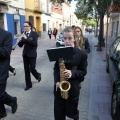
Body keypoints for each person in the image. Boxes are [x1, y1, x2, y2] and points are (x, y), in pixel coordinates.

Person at [53, 27, 87, 120]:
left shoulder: (81, 54)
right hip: (59, 87)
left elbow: (83, 72)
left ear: (74, 39)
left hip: (72, 89)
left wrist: (72, 73)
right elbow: (56, 68)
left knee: (72, 113)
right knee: (58, 114)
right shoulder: (59, 51)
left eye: (70, 38)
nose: (67, 41)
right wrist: (56, 81)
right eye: (65, 38)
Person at [17, 21, 41, 91]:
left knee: (32, 68)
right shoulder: (23, 34)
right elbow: (21, 45)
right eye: (24, 26)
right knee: (26, 70)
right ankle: (28, 85)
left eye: (26, 26)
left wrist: (26, 38)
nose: (25, 27)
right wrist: (19, 41)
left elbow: (34, 44)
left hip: (32, 54)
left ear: (30, 26)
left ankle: (38, 75)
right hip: (25, 54)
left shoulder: (34, 34)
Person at [0, 27, 18, 119]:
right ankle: (2, 113)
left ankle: (12, 100)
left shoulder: (7, 35)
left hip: (1, 70)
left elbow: (6, 52)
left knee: (0, 94)